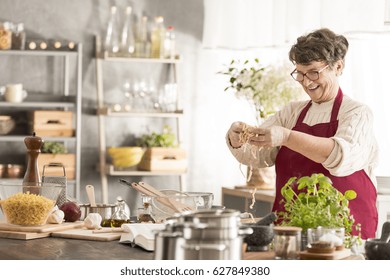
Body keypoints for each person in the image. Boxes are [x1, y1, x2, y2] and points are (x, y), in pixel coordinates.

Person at [226, 28, 378, 239]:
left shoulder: (356, 113)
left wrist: (287, 137)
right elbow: (259, 156)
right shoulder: (291, 112)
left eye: (314, 72)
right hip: (290, 231)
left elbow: (339, 157)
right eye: (300, 73)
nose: (306, 82)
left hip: (342, 234)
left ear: (338, 66)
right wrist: (237, 139)